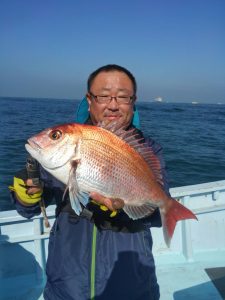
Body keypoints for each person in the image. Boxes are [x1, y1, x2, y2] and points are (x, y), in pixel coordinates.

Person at [10, 64, 170, 300]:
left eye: (123, 97)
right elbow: (29, 210)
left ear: (133, 101)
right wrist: (26, 195)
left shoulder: (148, 149)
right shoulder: (62, 150)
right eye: (104, 96)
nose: (113, 104)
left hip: (131, 285)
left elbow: (156, 212)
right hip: (68, 285)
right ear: (89, 99)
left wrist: (122, 210)